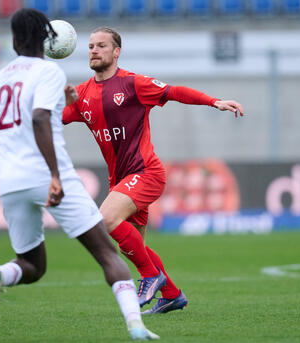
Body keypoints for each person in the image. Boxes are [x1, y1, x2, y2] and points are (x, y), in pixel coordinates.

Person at [0, 9, 159, 341]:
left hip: (10, 180)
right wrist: (55, 176)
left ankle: (0, 274)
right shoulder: (49, 71)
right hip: (45, 174)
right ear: (47, 40)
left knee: (32, 264)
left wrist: (67, 102)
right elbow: (40, 118)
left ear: (14, 39)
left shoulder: (1, 76)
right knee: (106, 253)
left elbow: (31, 115)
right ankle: (136, 324)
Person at [63, 27, 244, 314]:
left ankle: (150, 276)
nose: (94, 50)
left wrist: (214, 101)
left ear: (116, 51)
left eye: (101, 45)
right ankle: (171, 294)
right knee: (131, 246)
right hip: (121, 180)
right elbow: (52, 118)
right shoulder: (83, 94)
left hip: (146, 172)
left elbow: (174, 92)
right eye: (90, 46)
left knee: (106, 219)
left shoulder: (133, 84)